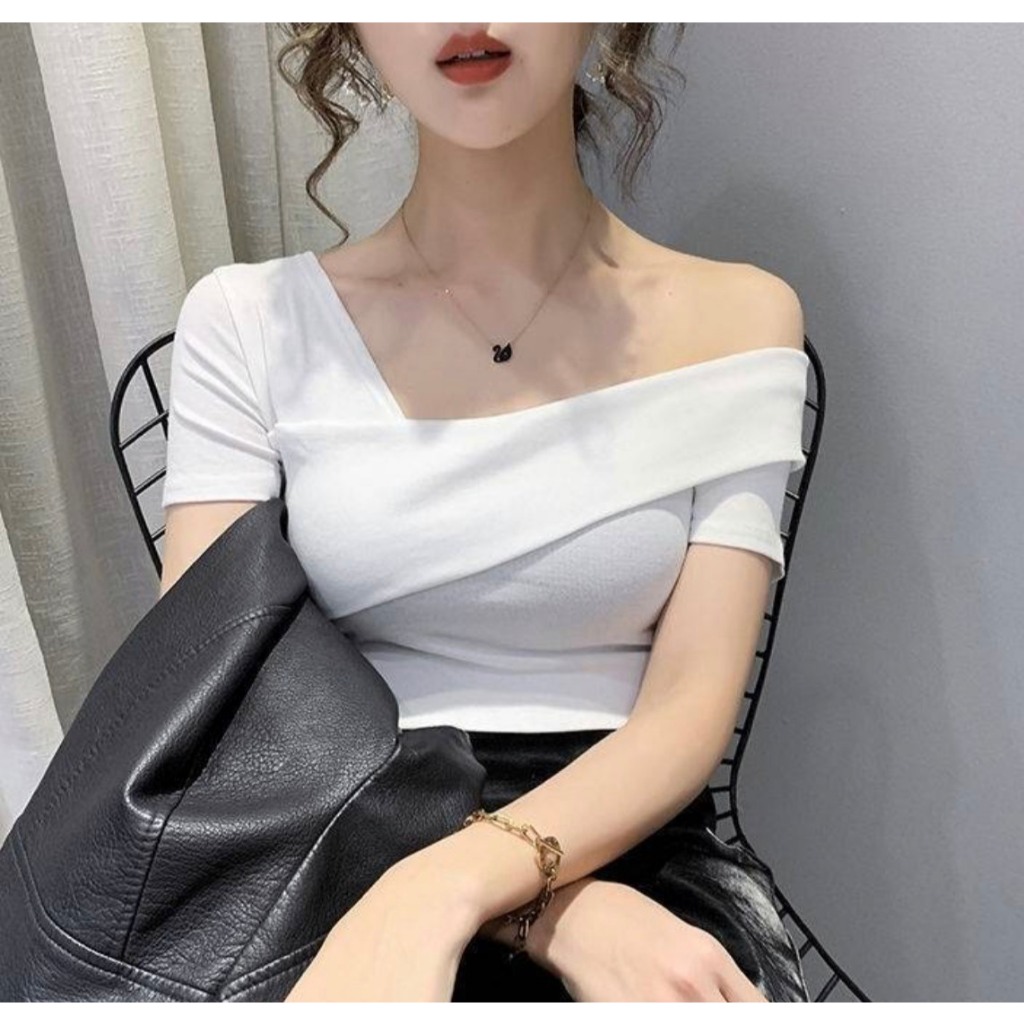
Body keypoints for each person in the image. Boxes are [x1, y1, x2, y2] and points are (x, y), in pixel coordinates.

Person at [159, 23, 811, 1002]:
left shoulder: (740, 319)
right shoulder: (249, 322)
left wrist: (458, 888)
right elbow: (212, 699)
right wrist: (527, 907)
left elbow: (688, 708)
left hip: (628, 838)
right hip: (323, 836)